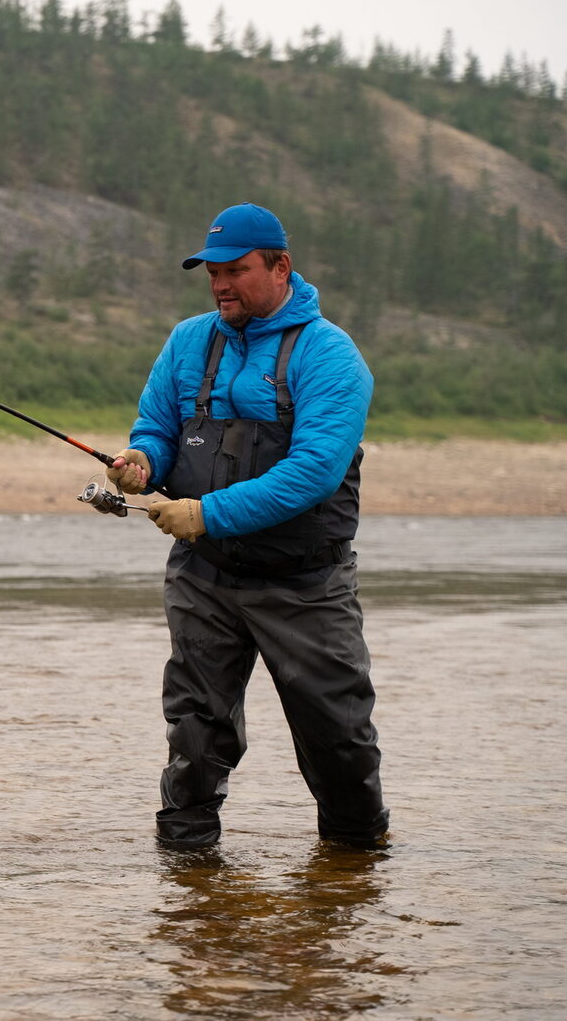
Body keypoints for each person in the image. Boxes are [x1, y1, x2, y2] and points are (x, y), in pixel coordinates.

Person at [107, 202, 388, 850]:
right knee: (195, 732)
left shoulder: (331, 357)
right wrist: (142, 464)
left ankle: (354, 866)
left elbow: (314, 471)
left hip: (306, 583)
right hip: (204, 578)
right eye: (211, 272)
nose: (220, 284)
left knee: (336, 737)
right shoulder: (188, 341)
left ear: (281, 266)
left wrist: (206, 513)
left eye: (235, 270)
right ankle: (187, 880)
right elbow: (157, 429)